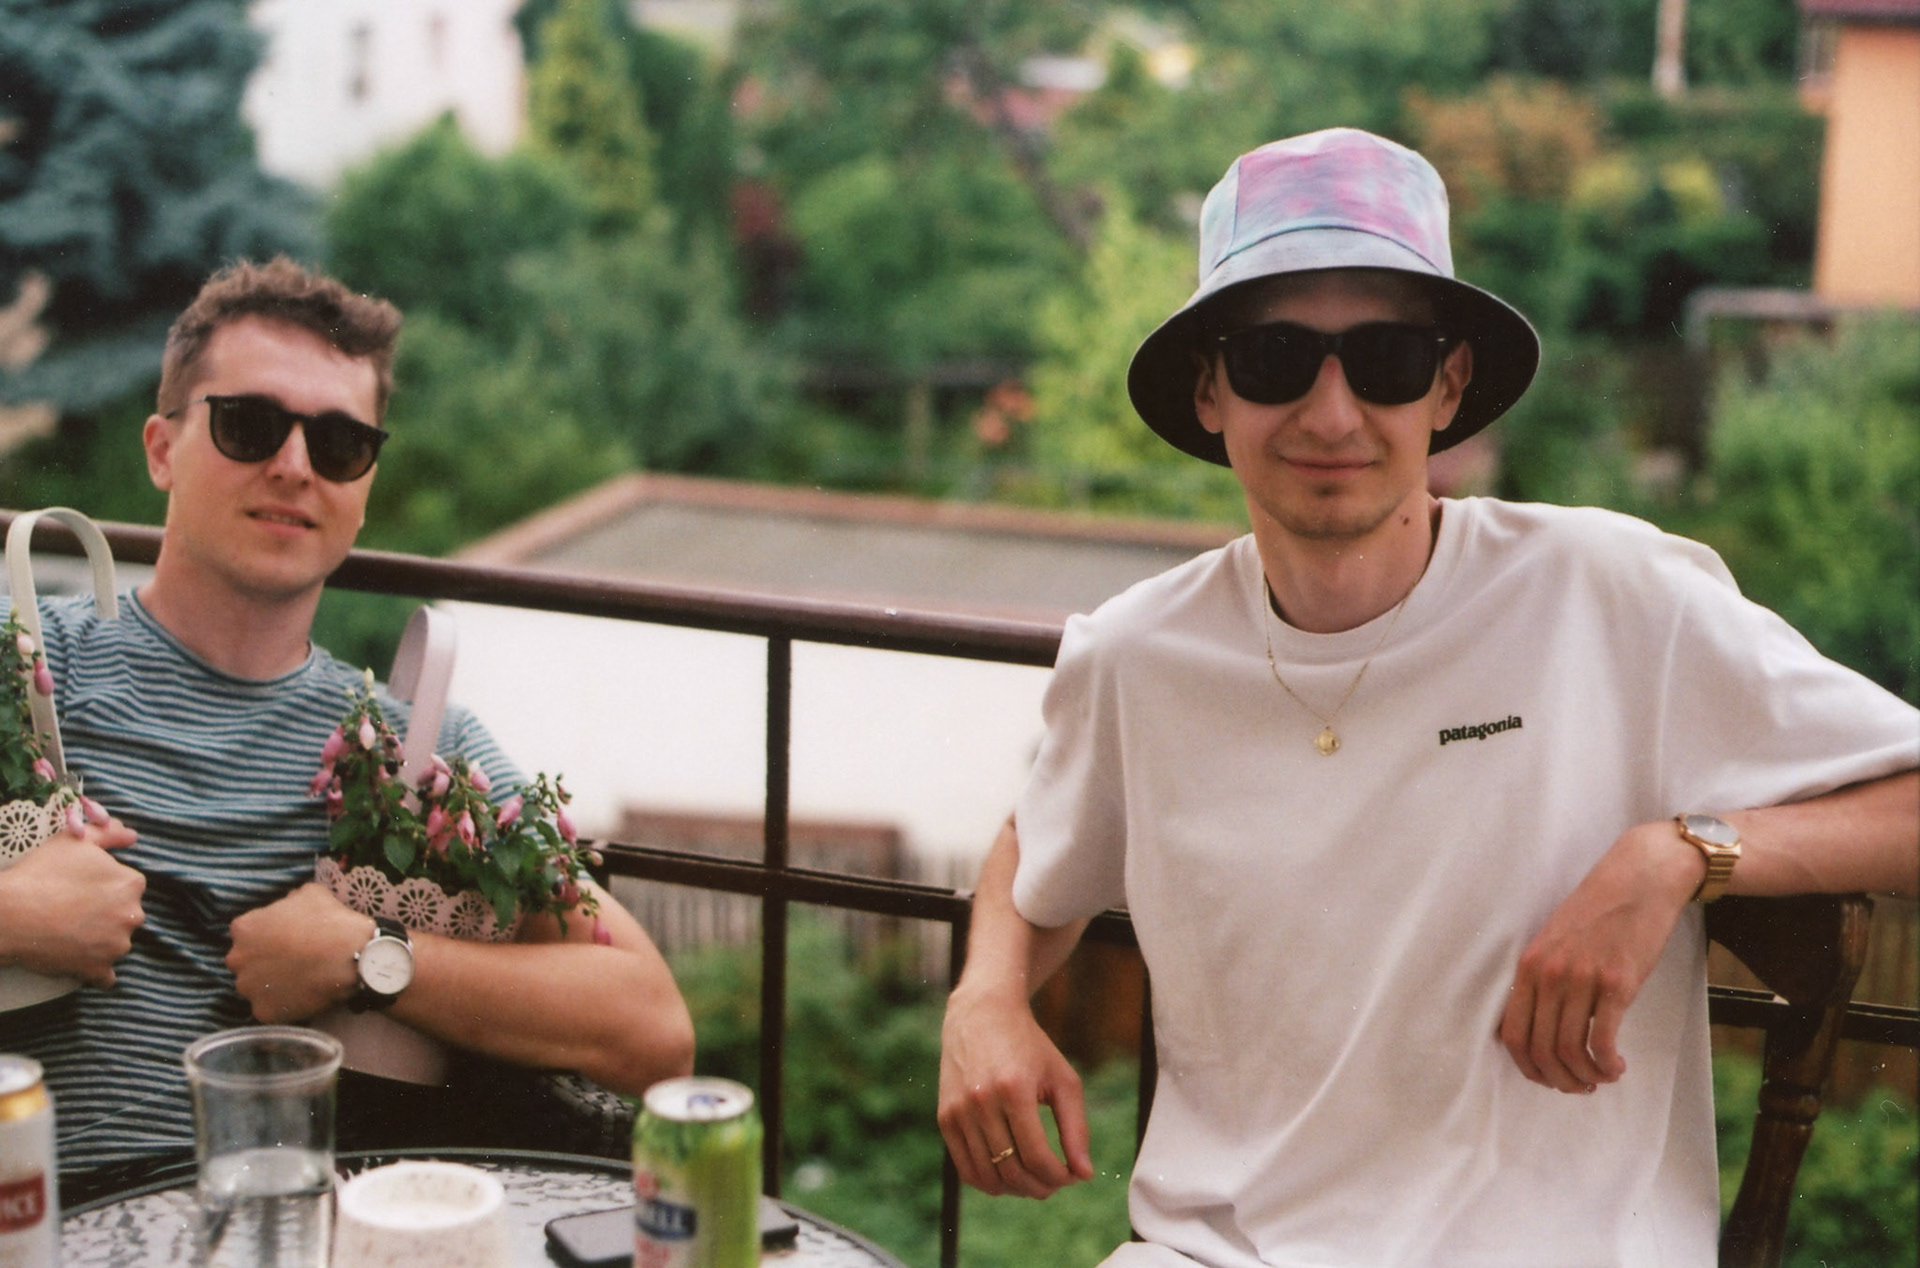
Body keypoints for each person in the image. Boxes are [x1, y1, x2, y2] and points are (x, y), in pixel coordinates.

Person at [936, 129, 1919, 1267]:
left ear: (1448, 385)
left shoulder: (1609, 595)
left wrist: (1683, 854)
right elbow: (1038, 835)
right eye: (1274, 358)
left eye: (1388, 359)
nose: (1333, 413)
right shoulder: (1138, 654)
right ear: (1210, 389)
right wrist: (984, 998)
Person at [0, 258, 694, 1193]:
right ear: (162, 449)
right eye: (248, 425)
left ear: (364, 486)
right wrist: (12, 914)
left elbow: (653, 1027)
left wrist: (367, 956)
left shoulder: (416, 753)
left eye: (339, 444)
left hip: (304, 1233)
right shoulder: (30, 666)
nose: (294, 467)